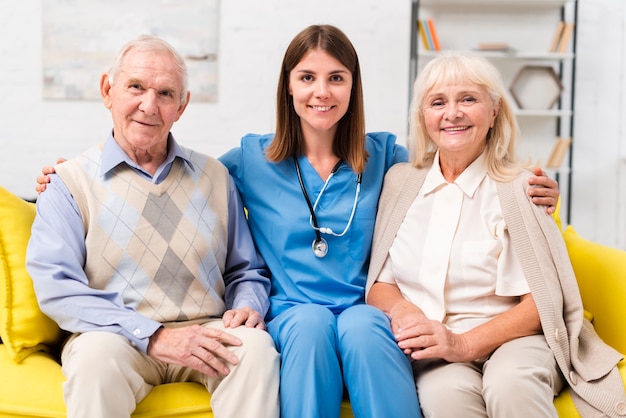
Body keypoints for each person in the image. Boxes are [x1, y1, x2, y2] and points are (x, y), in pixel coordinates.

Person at [34, 26, 560, 418]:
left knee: (363, 329)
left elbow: (454, 169)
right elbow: (172, 171)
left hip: (365, 304)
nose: (321, 92)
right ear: (288, 87)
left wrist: (532, 185)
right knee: (307, 328)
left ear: (353, 88)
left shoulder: (388, 160)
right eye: (307, 77)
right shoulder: (245, 161)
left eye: (336, 78)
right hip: (291, 310)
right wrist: (63, 175)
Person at [26, 35, 279, 418]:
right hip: (113, 337)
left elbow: (246, 270)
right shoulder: (68, 182)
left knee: (255, 349)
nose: (149, 105)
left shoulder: (216, 176)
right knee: (94, 360)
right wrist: (154, 335)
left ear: (182, 105)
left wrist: (247, 305)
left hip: (205, 332)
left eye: (165, 93)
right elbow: (57, 287)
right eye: (136, 87)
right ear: (108, 91)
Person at [365, 53, 626, 418]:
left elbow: (541, 304)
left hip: (517, 341)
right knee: (445, 399)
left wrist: (462, 343)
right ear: (424, 118)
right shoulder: (399, 183)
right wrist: (406, 312)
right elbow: (380, 282)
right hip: (438, 350)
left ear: (494, 112)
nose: (452, 113)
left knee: (510, 386)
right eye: (438, 102)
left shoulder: (521, 188)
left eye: (468, 99)